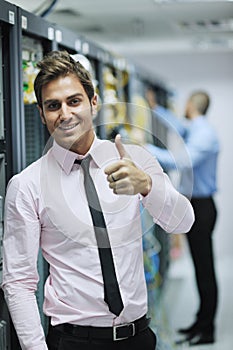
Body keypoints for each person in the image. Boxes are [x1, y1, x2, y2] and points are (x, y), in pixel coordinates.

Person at [1, 51, 194, 350]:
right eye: (53, 106)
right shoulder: (27, 185)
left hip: (138, 338)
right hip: (73, 340)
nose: (64, 114)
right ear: (41, 114)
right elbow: (19, 281)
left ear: (94, 103)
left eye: (74, 101)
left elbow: (183, 221)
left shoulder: (134, 160)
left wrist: (147, 186)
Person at [146, 88, 219, 346]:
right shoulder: (197, 129)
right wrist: (156, 109)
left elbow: (181, 161)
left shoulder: (205, 135)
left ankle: (207, 329)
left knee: (204, 270)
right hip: (197, 204)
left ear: (190, 105)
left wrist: (144, 149)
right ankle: (200, 322)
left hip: (202, 207)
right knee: (201, 267)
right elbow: (178, 126)